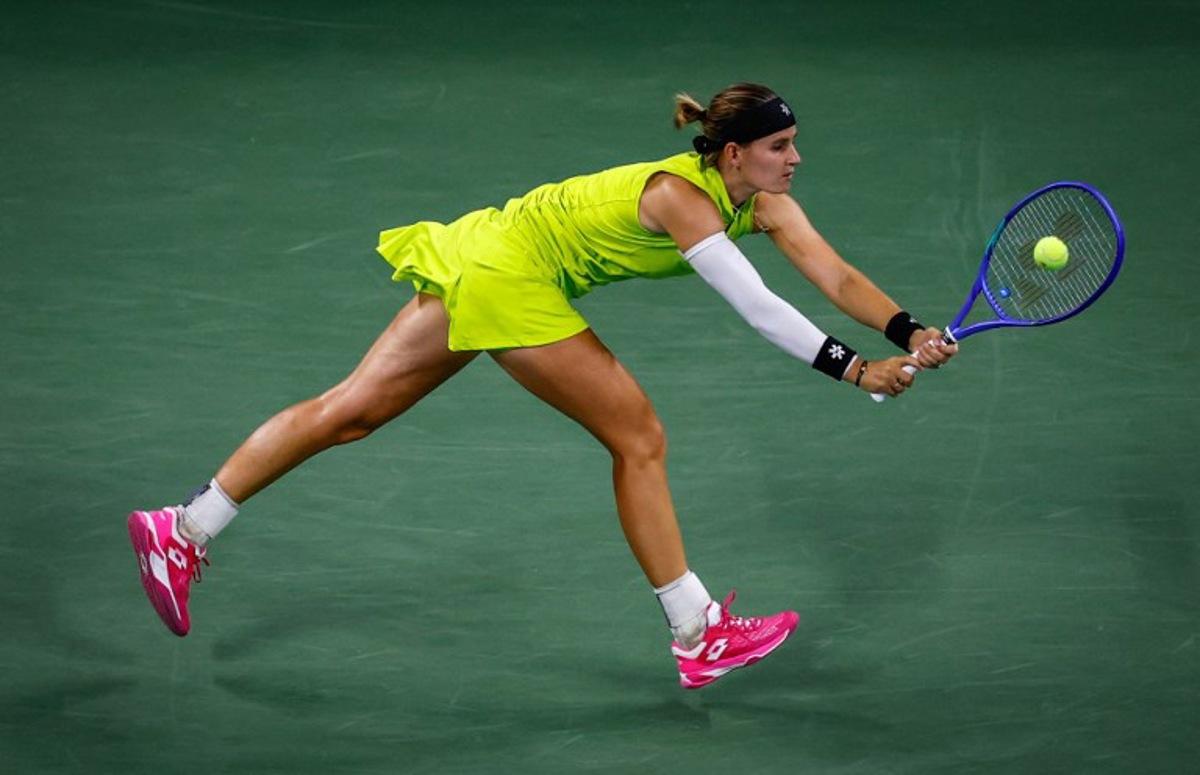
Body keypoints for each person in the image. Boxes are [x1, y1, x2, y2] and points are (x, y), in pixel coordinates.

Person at [127, 82, 957, 690]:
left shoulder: (765, 203)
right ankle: (697, 629)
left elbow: (835, 275)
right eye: (781, 146)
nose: (796, 158)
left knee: (352, 411)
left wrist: (906, 331)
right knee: (638, 436)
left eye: (795, 143)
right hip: (511, 275)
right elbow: (758, 306)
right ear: (734, 153)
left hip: (486, 252)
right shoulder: (681, 197)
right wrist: (855, 369)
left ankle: (184, 526)